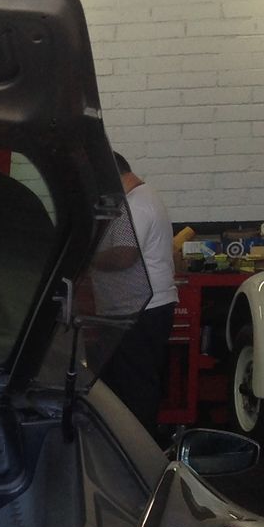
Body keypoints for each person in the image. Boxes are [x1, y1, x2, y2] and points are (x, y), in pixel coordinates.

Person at [99, 152, 183, 431]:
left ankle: (138, 452)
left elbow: (125, 255)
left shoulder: (134, 205)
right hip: (144, 307)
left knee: (134, 385)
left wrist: (86, 259)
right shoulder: (147, 197)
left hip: (140, 309)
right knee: (135, 381)